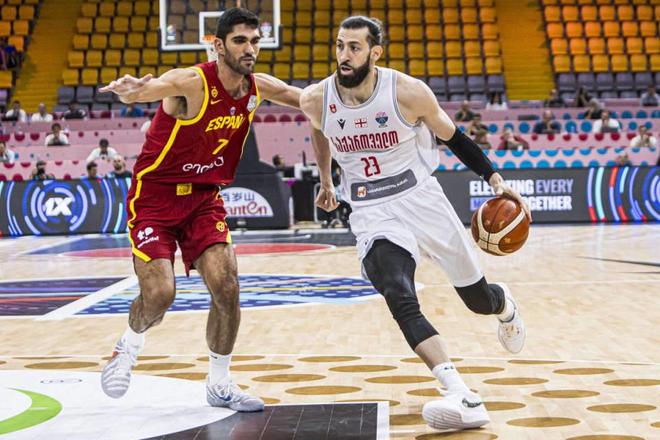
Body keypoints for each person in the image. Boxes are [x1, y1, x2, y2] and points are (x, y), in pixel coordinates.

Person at [299, 16, 530, 432]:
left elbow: (455, 137)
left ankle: (504, 305)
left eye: (354, 47)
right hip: (371, 209)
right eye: (339, 46)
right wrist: (326, 179)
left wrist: (494, 179)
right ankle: (460, 393)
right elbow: (320, 131)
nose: (344, 55)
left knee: (477, 300)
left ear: (374, 52)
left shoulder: (407, 92)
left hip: (422, 199)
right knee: (397, 292)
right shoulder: (316, 99)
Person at [97, 8, 302, 412]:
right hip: (155, 198)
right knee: (160, 294)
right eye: (240, 41)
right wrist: (131, 90)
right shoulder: (192, 82)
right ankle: (129, 345)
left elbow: (308, 101)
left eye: (255, 41)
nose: (249, 49)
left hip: (204, 198)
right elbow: (146, 90)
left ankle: (219, 383)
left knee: (227, 287)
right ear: (219, 45)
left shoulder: (257, 87)